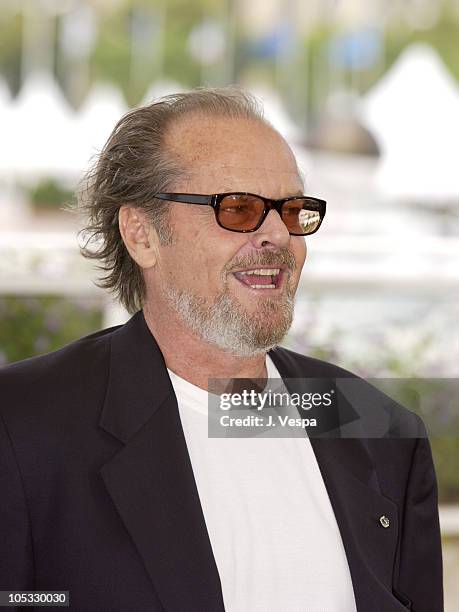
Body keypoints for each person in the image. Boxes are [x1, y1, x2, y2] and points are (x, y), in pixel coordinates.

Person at [0, 88, 442, 611]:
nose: (279, 236)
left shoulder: (378, 427)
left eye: (293, 209)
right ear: (141, 235)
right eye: (238, 208)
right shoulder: (24, 425)